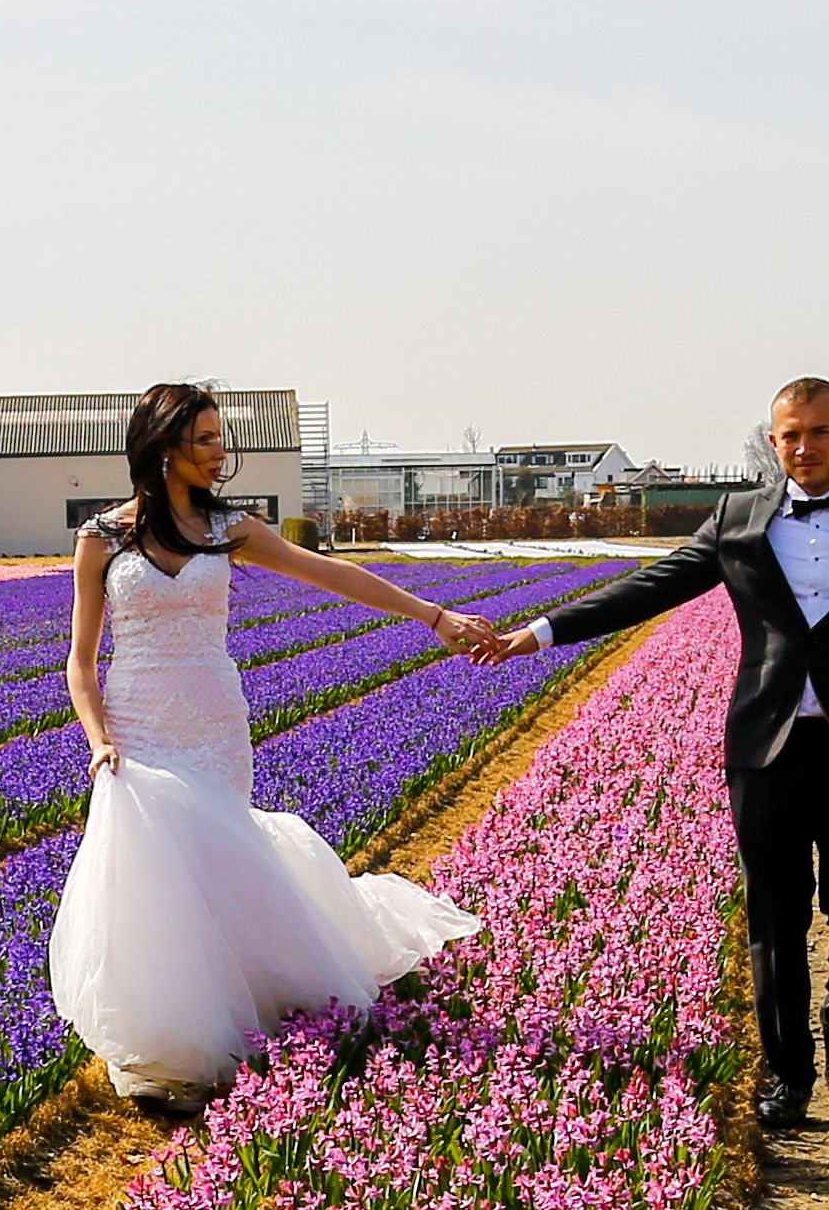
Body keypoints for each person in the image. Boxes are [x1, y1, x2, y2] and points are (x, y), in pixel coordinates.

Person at [506, 376, 829, 1130]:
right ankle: (789, 1075)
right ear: (773, 439)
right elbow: (648, 588)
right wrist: (541, 632)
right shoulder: (739, 521)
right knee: (775, 917)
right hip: (767, 749)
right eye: (788, 435)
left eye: (818, 433)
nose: (803, 448)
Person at [46, 381, 512, 1106]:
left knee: (217, 857)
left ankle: (245, 1003)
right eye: (204, 439)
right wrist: (98, 739)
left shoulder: (228, 528)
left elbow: (332, 573)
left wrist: (433, 615)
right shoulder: (103, 537)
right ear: (164, 445)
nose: (219, 452)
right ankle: (172, 1039)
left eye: (219, 437)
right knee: (154, 872)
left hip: (212, 718)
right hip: (138, 724)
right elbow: (80, 658)